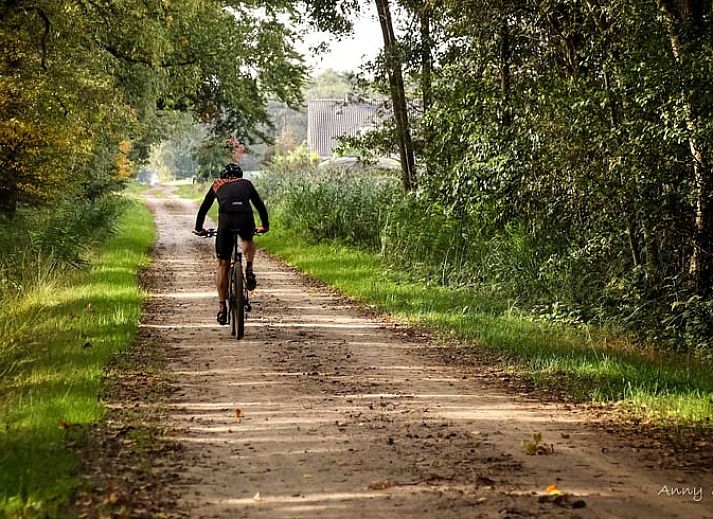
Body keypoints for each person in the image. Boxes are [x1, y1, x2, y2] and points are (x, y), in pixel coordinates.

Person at [194, 162, 269, 325]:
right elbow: (260, 206)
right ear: (240, 175)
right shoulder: (246, 183)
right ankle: (249, 268)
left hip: (226, 222)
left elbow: (204, 208)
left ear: (223, 176)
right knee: (248, 240)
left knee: (223, 264)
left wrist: (199, 228)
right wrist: (265, 226)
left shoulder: (217, 184)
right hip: (245, 218)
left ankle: (222, 308)